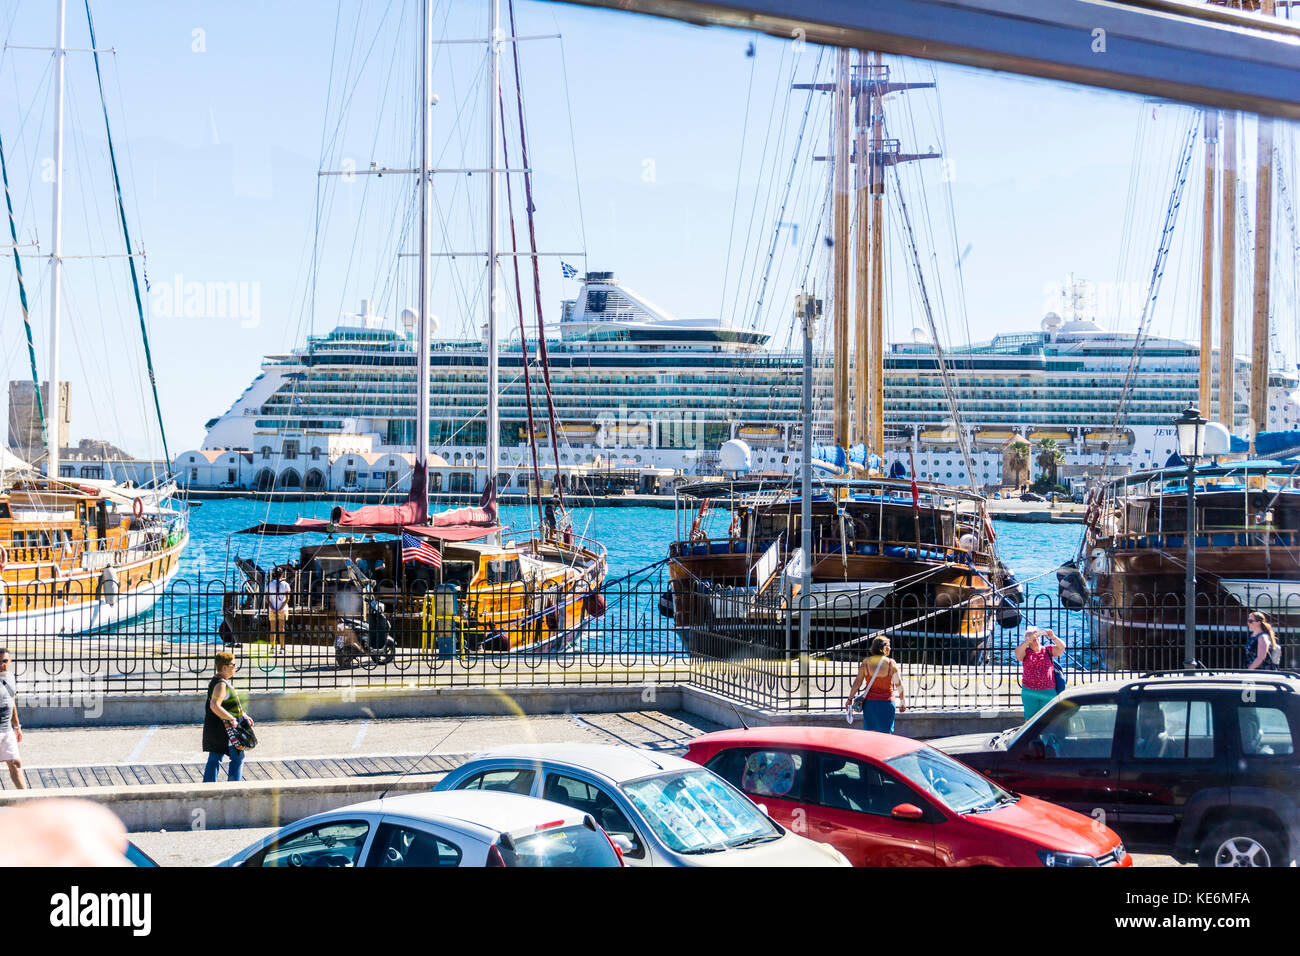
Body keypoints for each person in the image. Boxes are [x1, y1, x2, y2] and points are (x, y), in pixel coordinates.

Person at [203, 650, 252, 783]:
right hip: (226, 729)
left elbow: (228, 703)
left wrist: (243, 714)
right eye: (233, 665)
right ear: (224, 667)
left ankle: (208, 786)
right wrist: (232, 718)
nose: (235, 668)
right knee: (237, 757)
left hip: (217, 728)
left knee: (215, 757)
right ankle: (234, 787)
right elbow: (215, 705)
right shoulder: (221, 684)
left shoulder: (218, 681)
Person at [845, 636, 906, 733]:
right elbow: (898, 684)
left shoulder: (866, 662)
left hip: (870, 704)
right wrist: (902, 701)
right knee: (886, 734)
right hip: (887, 703)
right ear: (883, 648)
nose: (890, 648)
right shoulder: (891, 663)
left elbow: (858, 682)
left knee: (871, 734)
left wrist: (850, 699)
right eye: (888, 646)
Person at [1015, 626, 1064, 719]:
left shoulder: (1047, 650)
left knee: (1050, 718)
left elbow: (1062, 647)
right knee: (1030, 719)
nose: (1035, 639)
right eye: (1032, 638)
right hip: (1029, 691)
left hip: (1048, 690)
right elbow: (1018, 654)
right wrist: (1028, 640)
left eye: (1036, 636)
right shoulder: (1025, 651)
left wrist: (1053, 637)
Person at [0, 649, 26, 789]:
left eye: (4, 661)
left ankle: (26, 801)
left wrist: (17, 726)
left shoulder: (9, 677)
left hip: (7, 729)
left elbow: (12, 702)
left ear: (10, 661)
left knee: (15, 763)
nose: (1, 664)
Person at [266, 568, 290, 654]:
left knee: (272, 629)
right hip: (282, 610)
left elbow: (267, 598)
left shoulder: (269, 585)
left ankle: (272, 648)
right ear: (282, 575)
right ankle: (282, 648)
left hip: (272, 610)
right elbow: (287, 598)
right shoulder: (286, 584)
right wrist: (280, 609)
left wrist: (272, 608)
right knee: (281, 628)